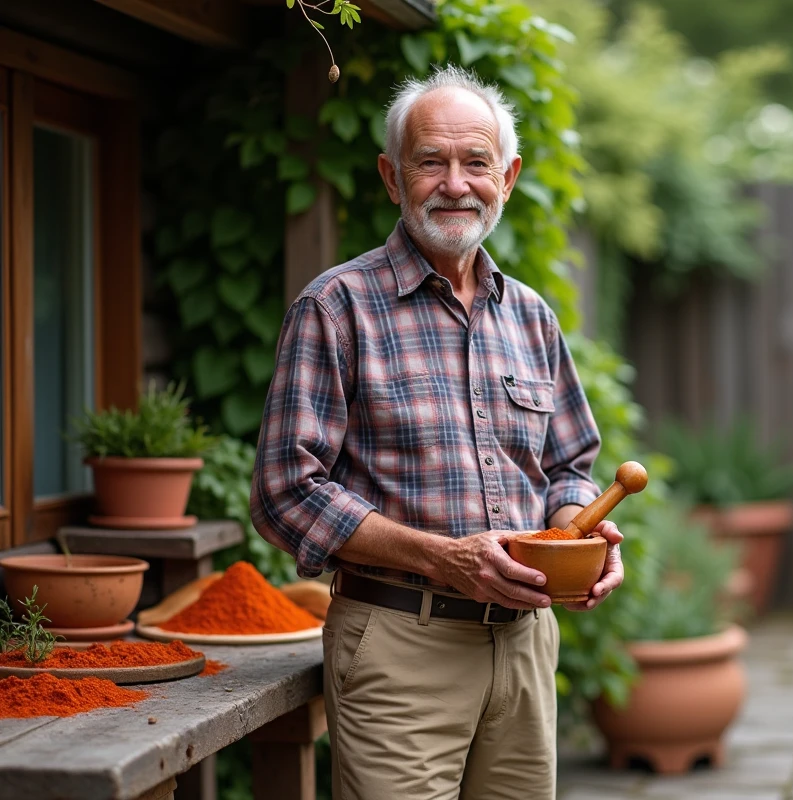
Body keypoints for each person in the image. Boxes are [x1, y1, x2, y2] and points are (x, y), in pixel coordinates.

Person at [249, 65, 624, 800]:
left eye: (476, 162)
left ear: (507, 177)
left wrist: (579, 538)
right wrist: (441, 557)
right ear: (393, 178)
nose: (456, 183)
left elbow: (571, 464)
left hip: (523, 649)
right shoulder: (335, 308)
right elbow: (285, 492)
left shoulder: (531, 316)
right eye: (431, 161)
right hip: (399, 646)